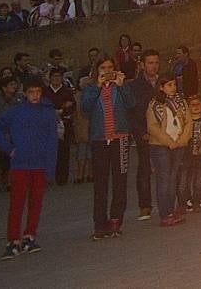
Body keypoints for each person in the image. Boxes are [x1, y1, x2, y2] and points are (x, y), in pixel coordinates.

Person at [0, 77, 57, 259]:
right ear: (25, 93)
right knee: (17, 203)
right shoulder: (16, 112)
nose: (35, 96)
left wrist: (50, 167)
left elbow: (53, 140)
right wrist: (8, 148)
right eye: (31, 92)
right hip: (20, 164)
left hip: (40, 164)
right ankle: (13, 240)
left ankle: (30, 235)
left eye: (37, 92)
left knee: (36, 202)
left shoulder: (47, 111)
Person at [82, 56, 134, 240]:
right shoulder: (90, 88)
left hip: (120, 138)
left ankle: (116, 219)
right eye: (103, 68)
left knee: (120, 181)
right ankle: (100, 223)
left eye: (110, 67)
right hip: (100, 139)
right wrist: (97, 86)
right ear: (97, 70)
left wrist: (121, 85)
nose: (106, 71)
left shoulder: (120, 86)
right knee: (101, 183)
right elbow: (85, 107)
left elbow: (131, 104)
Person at [145, 72, 191, 227]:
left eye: (174, 85)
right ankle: (165, 213)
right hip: (161, 146)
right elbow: (152, 127)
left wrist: (182, 140)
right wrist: (168, 141)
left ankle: (171, 210)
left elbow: (188, 122)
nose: (173, 88)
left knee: (173, 178)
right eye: (169, 85)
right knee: (164, 179)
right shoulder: (155, 104)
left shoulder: (181, 102)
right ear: (161, 87)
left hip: (178, 143)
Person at [128, 49, 162, 220]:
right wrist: (141, 133)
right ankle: (145, 205)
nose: (154, 66)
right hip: (146, 134)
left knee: (168, 168)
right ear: (142, 65)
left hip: (165, 133)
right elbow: (133, 113)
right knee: (145, 169)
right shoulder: (134, 86)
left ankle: (172, 201)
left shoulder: (164, 82)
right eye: (150, 63)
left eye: (156, 63)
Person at [176, 94, 201, 212]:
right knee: (183, 181)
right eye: (192, 105)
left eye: (198, 104)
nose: (196, 107)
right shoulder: (183, 123)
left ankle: (196, 201)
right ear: (187, 107)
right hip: (186, 156)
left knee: (199, 181)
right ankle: (183, 203)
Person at [0, 74, 22, 193]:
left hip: (15, 133)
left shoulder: (19, 98)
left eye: (15, 84)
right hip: (0, 133)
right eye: (11, 85)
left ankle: (9, 182)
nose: (14, 86)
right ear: (4, 87)